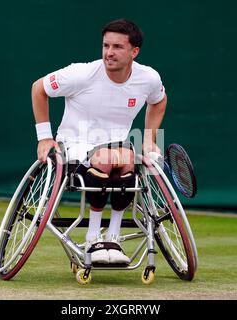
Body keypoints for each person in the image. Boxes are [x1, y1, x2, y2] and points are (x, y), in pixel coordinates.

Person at [31, 19, 167, 264]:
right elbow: (38, 88)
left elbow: (159, 100)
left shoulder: (148, 78)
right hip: (74, 145)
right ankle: (94, 237)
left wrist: (149, 139)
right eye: (106, 46)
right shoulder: (80, 74)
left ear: (134, 52)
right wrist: (44, 138)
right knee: (111, 157)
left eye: (117, 47)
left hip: (117, 151)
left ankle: (113, 237)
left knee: (125, 158)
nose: (109, 53)